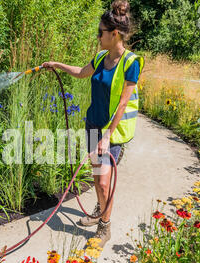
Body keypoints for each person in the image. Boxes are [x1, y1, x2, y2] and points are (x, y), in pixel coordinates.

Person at [42, 0, 144, 248]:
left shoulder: (131, 63)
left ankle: (104, 228)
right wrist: (57, 65)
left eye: (101, 32)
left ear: (114, 34)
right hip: (92, 126)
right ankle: (100, 209)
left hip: (113, 132)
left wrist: (107, 136)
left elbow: (122, 104)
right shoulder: (100, 57)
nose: (98, 36)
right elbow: (80, 71)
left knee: (103, 181)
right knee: (98, 176)